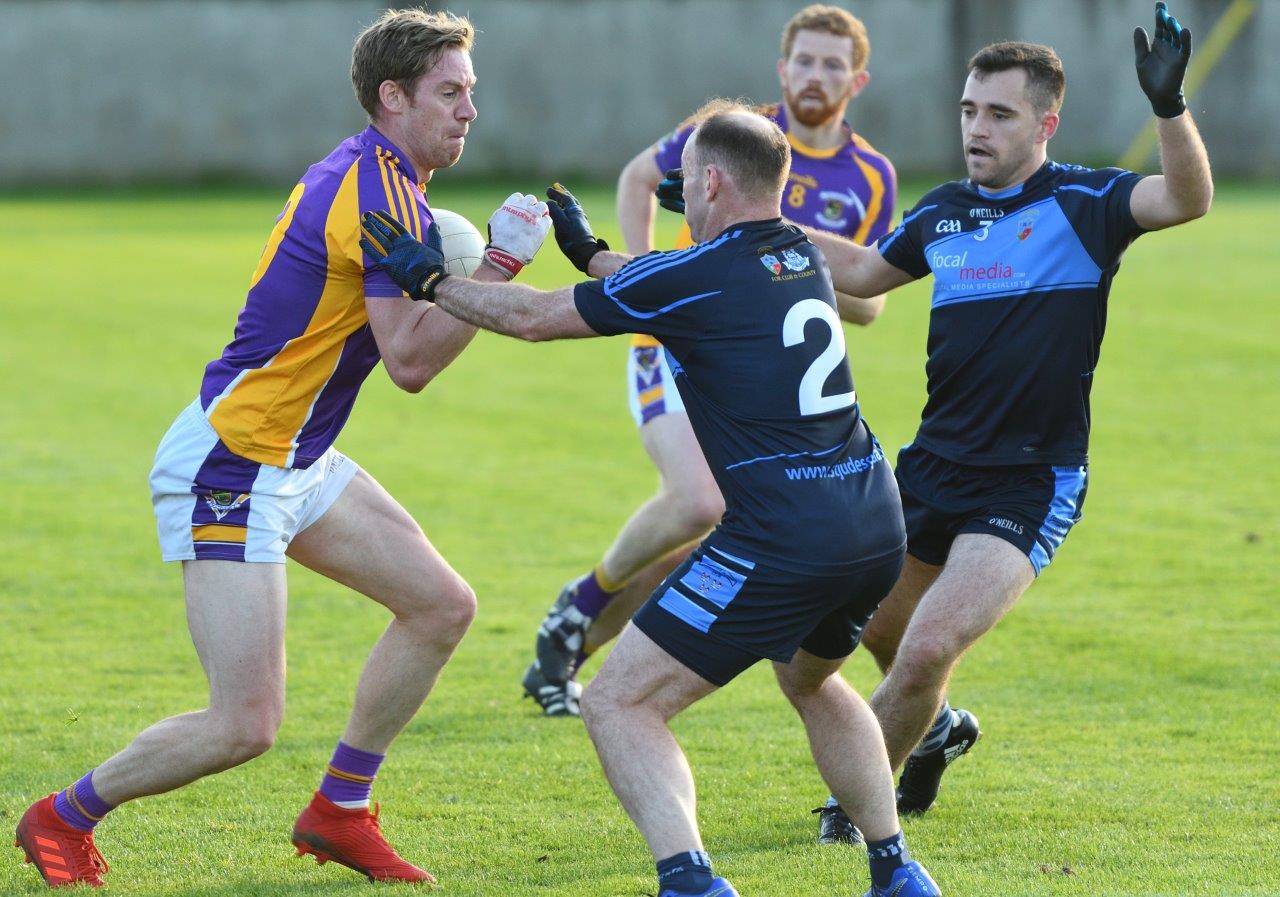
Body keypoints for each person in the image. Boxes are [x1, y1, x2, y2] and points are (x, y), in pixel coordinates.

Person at [13, 9, 552, 889]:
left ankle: (339, 809)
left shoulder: (391, 179)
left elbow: (406, 336)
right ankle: (61, 815)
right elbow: (411, 361)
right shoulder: (375, 190)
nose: (469, 111)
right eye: (451, 92)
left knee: (441, 605)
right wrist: (496, 267)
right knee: (245, 724)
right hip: (233, 460)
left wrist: (479, 274)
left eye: (471, 93)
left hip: (294, 458)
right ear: (393, 96)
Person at [360, 105, 941, 897]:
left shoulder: (697, 272)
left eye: (693, 181)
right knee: (810, 680)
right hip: (873, 522)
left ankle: (690, 881)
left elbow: (533, 319)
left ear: (707, 181)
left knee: (617, 702)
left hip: (781, 536)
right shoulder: (802, 251)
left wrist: (433, 280)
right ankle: (896, 869)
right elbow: (668, 284)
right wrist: (593, 251)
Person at [763, 2, 1210, 835]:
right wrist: (758, 224)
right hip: (932, 467)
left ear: (1046, 122)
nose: (978, 127)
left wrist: (1168, 107)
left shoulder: (1088, 204)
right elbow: (860, 273)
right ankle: (936, 731)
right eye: (969, 110)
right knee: (881, 639)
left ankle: (859, 815)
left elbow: (1185, 198)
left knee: (928, 649)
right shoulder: (944, 212)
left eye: (999, 114)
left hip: (1031, 478)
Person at [520, 4, 898, 722]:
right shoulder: (741, 134)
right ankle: (583, 609)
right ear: (782, 69)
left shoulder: (871, 174)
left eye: (832, 64)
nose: (816, 76)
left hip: (768, 377)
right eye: (805, 61)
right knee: (700, 501)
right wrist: (646, 279)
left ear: (859, 79)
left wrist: (773, 269)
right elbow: (637, 176)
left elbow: (870, 301)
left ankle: (587, 632)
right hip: (678, 340)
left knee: (727, 530)